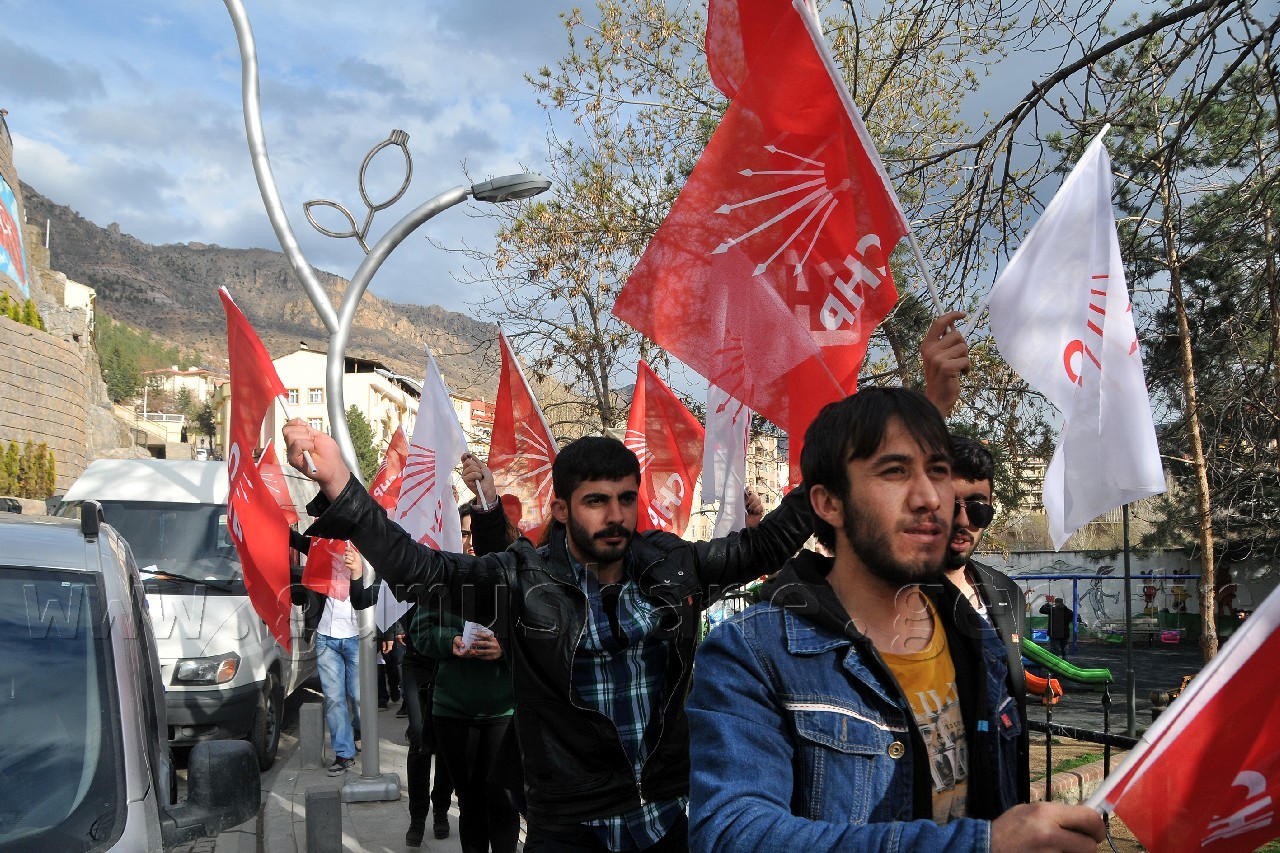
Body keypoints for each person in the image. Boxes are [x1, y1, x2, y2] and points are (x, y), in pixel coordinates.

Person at [282, 423, 815, 853]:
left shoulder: (673, 565)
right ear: (560, 510)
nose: (616, 517)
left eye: (626, 500)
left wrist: (825, 477)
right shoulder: (521, 579)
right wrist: (341, 490)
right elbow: (424, 570)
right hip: (566, 822)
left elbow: (762, 546)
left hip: (664, 816)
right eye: (596, 502)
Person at [685, 388, 1105, 851]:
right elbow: (732, 835)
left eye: (939, 472)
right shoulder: (754, 655)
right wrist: (980, 845)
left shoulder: (977, 636)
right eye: (895, 471)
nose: (930, 497)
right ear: (828, 503)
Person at [943, 434, 1031, 804]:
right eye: (949, 505)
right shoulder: (898, 593)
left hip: (998, 793)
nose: (964, 521)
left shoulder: (1005, 592)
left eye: (978, 508)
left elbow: (1012, 701)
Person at [314, 544, 376, 776]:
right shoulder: (323, 548)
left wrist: (391, 630)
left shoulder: (369, 551)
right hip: (325, 636)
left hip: (358, 637)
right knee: (334, 698)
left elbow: (384, 590)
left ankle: (360, 731)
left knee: (360, 696)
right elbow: (301, 544)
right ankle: (344, 753)